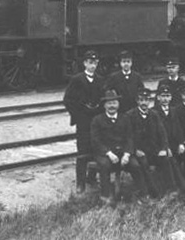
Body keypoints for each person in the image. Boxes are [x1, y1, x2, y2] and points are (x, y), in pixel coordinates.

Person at [90, 89, 149, 205]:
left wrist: (127, 154)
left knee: (135, 165)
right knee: (105, 165)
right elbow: (95, 140)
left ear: (118, 104)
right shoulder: (97, 120)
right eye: (109, 103)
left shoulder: (125, 118)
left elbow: (130, 138)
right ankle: (105, 196)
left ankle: (143, 194)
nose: (112, 106)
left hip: (123, 153)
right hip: (105, 153)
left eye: (114, 103)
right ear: (104, 105)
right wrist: (109, 153)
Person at [63, 50, 105, 193]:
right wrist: (78, 115)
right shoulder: (77, 79)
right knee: (82, 151)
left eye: (95, 63)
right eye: (89, 62)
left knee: (96, 148)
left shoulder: (100, 80)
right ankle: (80, 183)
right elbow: (68, 100)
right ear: (85, 63)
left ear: (97, 63)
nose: (92, 65)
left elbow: (104, 99)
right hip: (83, 121)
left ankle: (91, 177)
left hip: (96, 121)